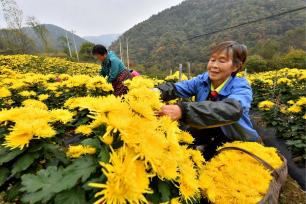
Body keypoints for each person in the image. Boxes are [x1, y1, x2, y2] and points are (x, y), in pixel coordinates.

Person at [157, 41, 260, 160]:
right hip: (207, 130)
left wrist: (183, 110)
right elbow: (177, 88)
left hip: (233, 139)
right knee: (176, 143)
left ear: (236, 66)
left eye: (221, 61)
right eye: (212, 60)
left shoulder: (241, 86)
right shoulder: (203, 80)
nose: (214, 65)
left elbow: (233, 109)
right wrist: (155, 91)